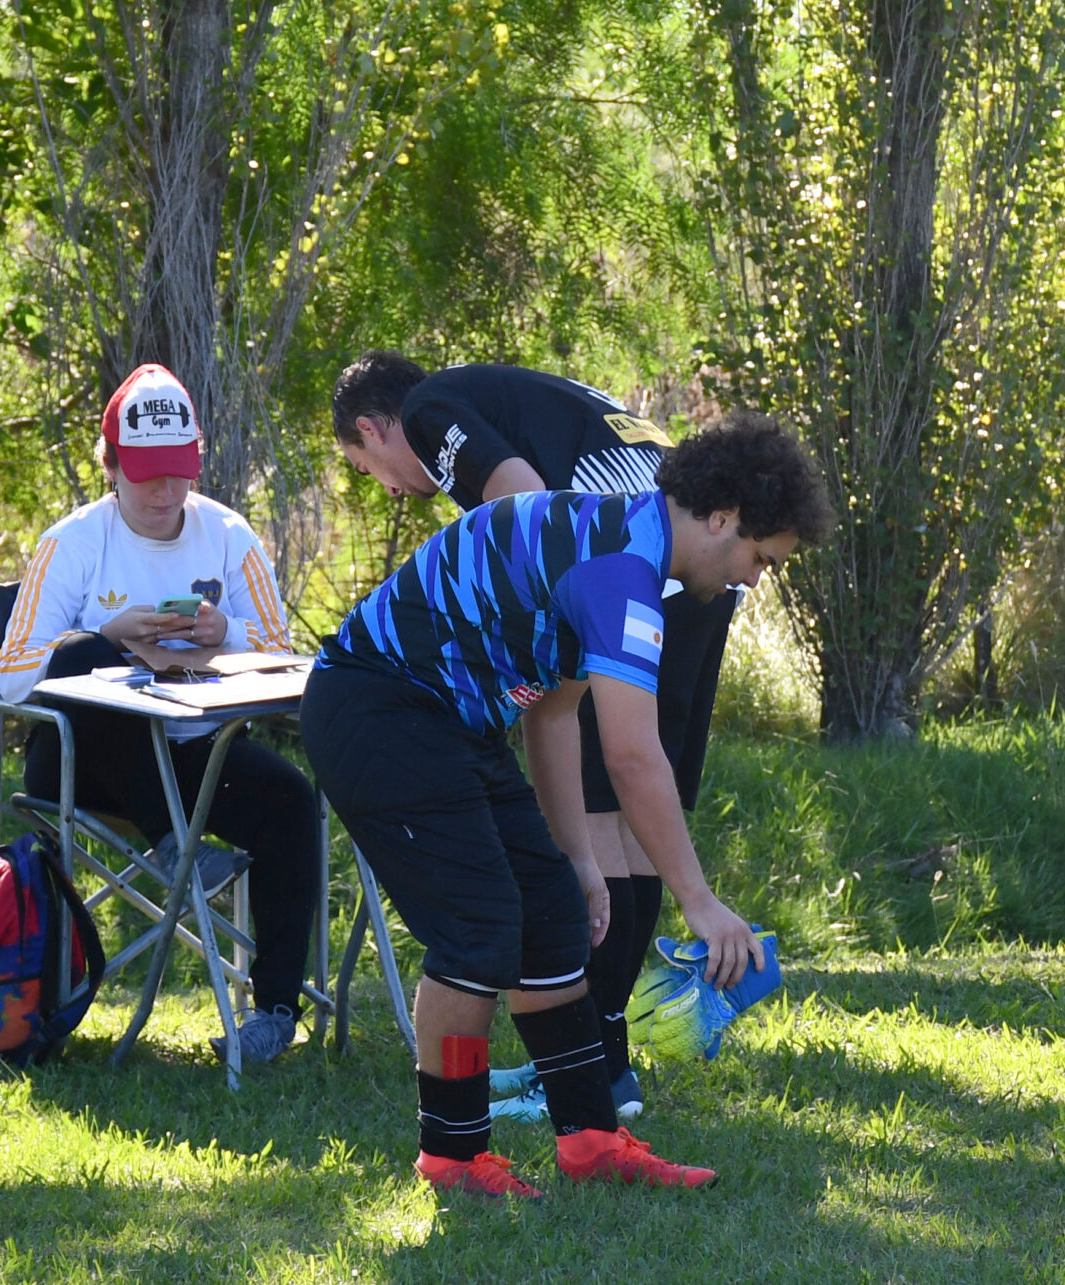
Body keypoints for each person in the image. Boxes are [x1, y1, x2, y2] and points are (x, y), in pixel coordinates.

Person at [300, 415, 832, 1198]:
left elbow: (553, 714)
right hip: (375, 707)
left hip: (445, 723)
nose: (755, 579)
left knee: (550, 909)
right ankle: (450, 1154)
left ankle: (590, 1139)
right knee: (479, 929)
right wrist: (700, 902)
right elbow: (633, 757)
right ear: (723, 518)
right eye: (762, 558)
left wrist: (579, 856)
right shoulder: (622, 571)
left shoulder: (617, 539)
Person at [330, 354, 738, 1121]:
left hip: (633, 565)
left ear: (373, 428)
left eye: (364, 466)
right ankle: (603, 1063)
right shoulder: (511, 391)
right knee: (622, 825)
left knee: (600, 811)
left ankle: (592, 1069)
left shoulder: (429, 409)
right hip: (702, 568)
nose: (388, 487)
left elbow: (524, 507)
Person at [0, 363, 323, 1065]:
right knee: (87, 657)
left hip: (195, 748)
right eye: (145, 473)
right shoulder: (72, 542)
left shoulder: (228, 534)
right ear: (110, 465)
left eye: (178, 472)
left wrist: (224, 633)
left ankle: (273, 1012)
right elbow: (13, 676)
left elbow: (280, 653)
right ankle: (173, 843)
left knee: (292, 799)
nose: (164, 491)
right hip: (81, 760)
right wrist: (110, 638)